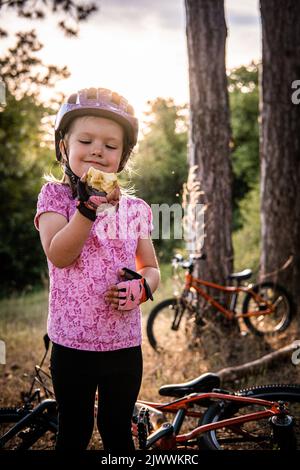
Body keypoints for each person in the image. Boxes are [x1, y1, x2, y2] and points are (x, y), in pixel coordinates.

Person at [34, 87, 160, 452]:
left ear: (122, 157)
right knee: (74, 430)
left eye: (110, 145)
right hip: (72, 343)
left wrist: (143, 289)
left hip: (123, 344)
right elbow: (60, 254)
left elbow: (150, 267)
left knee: (117, 429)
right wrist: (87, 210)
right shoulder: (54, 198)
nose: (97, 151)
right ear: (64, 148)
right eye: (86, 140)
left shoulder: (135, 208)